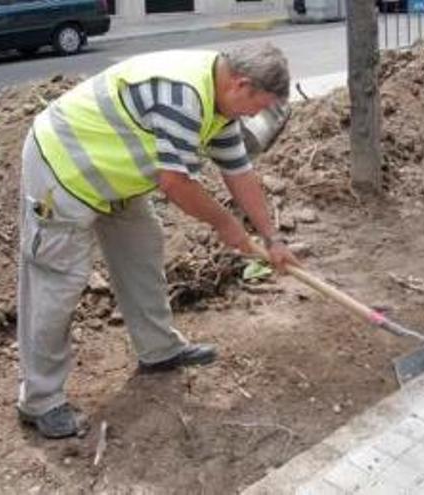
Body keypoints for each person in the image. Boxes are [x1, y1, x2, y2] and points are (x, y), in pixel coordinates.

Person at [15, 42, 298, 439]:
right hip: (63, 170)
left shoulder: (221, 105)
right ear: (240, 84)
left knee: (142, 251)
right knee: (57, 283)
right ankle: (40, 400)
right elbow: (175, 182)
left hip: (115, 174)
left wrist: (272, 238)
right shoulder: (181, 96)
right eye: (256, 106)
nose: (254, 116)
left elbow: (240, 173)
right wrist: (226, 225)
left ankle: (158, 350)